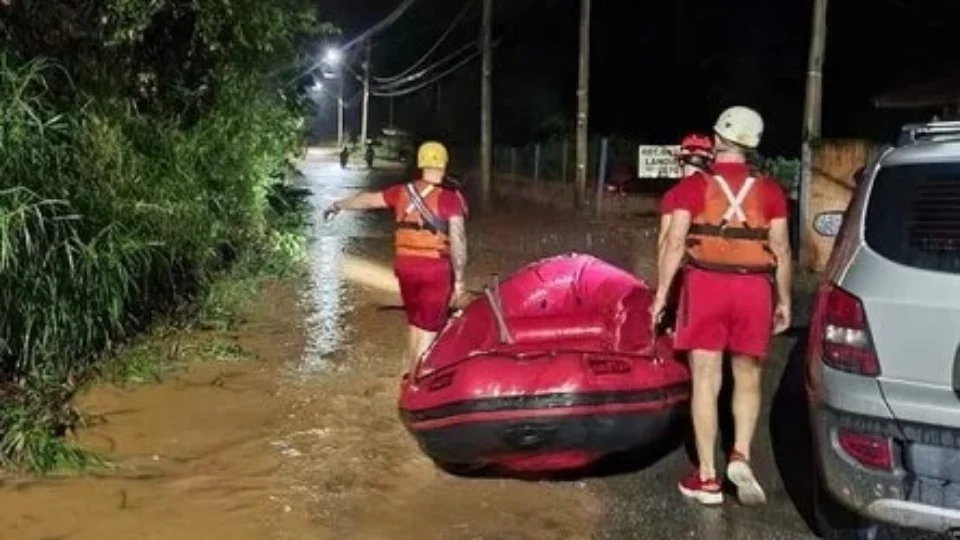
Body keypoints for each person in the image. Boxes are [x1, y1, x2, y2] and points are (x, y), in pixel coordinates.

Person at [651, 106, 792, 506]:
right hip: (754, 289)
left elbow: (674, 243)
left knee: (706, 380)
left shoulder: (692, 188)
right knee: (747, 376)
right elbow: (780, 247)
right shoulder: (770, 190)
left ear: (716, 140)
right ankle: (741, 455)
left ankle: (708, 477)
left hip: (706, 285)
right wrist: (783, 300)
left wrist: (662, 296)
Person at [324, 141, 468, 377]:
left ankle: (407, 371)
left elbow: (368, 200)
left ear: (421, 164)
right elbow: (459, 241)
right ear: (444, 164)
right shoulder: (450, 198)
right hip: (434, 270)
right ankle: (416, 381)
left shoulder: (402, 192)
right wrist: (460, 279)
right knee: (430, 328)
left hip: (405, 267)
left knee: (416, 324)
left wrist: (338, 204)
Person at [653, 134, 715, 334]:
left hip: (688, 279)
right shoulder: (721, 191)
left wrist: (662, 291)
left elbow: (667, 243)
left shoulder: (676, 194)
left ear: (681, 161)